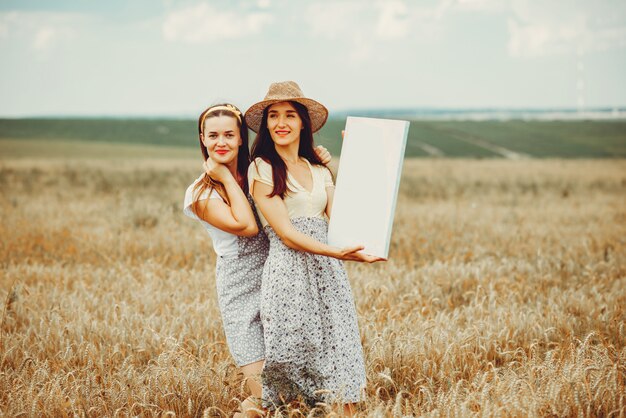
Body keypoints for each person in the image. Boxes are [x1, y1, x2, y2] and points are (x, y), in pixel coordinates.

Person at [182, 103, 331, 416]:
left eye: (228, 134)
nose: (220, 142)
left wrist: (320, 162)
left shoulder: (260, 171)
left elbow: (302, 185)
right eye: (213, 136)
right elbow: (247, 226)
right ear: (202, 139)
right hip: (240, 288)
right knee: (265, 394)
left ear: (240, 139)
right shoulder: (199, 193)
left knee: (292, 392)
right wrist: (222, 175)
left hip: (280, 277)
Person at [246, 81, 384, 413]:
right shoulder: (261, 168)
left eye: (290, 115)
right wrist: (336, 252)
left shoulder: (319, 169)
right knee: (293, 356)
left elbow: (341, 222)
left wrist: (358, 160)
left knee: (341, 349)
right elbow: (288, 234)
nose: (281, 123)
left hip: (329, 274)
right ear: (265, 124)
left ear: (303, 123)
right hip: (288, 274)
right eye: (274, 116)